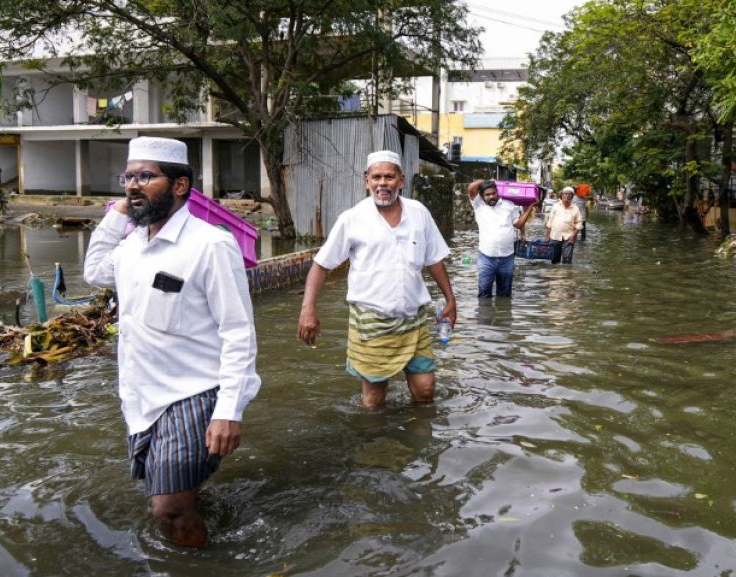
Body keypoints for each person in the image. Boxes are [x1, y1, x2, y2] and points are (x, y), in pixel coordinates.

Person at [83, 136, 260, 548]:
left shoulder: (210, 245)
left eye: (146, 176)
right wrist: (122, 210)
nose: (132, 185)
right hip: (141, 396)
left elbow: (238, 332)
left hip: (194, 393)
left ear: (180, 185)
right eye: (128, 177)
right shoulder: (130, 246)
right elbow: (94, 270)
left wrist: (229, 410)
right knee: (177, 495)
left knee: (167, 509)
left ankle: (202, 568)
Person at [297, 150, 456, 408]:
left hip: (413, 320)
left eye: (389, 177)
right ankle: (377, 446)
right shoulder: (352, 219)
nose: (383, 183)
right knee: (374, 401)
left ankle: (416, 441)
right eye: (377, 177)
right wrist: (308, 309)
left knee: (426, 391)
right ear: (367, 181)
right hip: (372, 322)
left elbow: (434, 259)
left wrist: (451, 299)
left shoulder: (419, 213)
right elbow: (321, 265)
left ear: (401, 181)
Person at [467, 179, 535, 298]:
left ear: (498, 192)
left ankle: (503, 316)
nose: (491, 196)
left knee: (505, 294)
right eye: (487, 195)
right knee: (484, 292)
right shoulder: (478, 205)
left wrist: (530, 207)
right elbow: (471, 188)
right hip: (486, 257)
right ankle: (485, 316)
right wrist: (488, 180)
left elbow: (518, 224)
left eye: (493, 193)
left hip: (507, 258)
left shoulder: (509, 204)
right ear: (482, 196)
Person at [545, 186, 583, 264]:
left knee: (567, 261)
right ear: (561, 195)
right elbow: (550, 222)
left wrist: (573, 236)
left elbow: (579, 223)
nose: (567, 196)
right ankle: (555, 275)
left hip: (568, 238)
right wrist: (547, 237)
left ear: (572, 197)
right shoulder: (556, 206)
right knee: (554, 260)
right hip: (554, 237)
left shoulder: (575, 208)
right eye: (565, 194)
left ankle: (566, 275)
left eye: (570, 194)